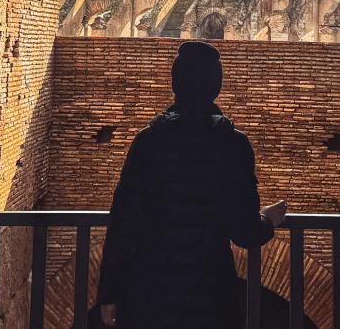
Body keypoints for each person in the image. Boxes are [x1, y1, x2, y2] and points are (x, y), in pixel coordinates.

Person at [97, 41, 287, 328]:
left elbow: (122, 223)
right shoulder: (233, 145)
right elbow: (244, 232)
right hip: (210, 296)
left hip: (150, 293)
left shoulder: (148, 141)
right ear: (216, 86)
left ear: (176, 83)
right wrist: (267, 221)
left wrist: (109, 293)